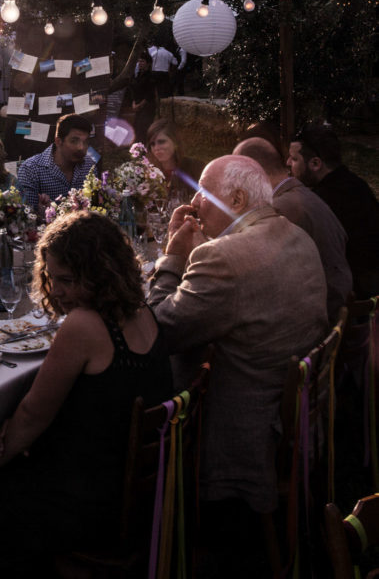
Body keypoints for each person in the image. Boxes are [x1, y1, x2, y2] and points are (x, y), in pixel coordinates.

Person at [148, 155, 327, 576]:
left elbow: (157, 333)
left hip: (243, 432)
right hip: (296, 418)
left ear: (239, 198)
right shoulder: (297, 236)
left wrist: (173, 258)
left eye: (204, 196)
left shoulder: (225, 258)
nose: (194, 205)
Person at [0, 211, 173, 577]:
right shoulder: (142, 310)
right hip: (139, 495)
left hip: (90, 507)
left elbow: (33, 413)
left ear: (100, 274)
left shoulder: (84, 325)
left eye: (66, 280)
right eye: (50, 277)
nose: (56, 290)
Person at [234, 137, 352, 321]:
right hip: (337, 302)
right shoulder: (302, 194)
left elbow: (253, 274)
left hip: (320, 316)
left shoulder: (281, 210)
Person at [287, 123, 379, 298]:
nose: (288, 163)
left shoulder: (319, 202)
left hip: (356, 295)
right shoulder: (356, 184)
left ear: (315, 163)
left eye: (294, 159)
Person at [17, 113, 97, 215]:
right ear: (58, 141)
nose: (81, 147)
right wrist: (41, 214)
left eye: (85, 142)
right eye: (74, 141)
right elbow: (26, 216)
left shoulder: (89, 166)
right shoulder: (31, 169)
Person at [146, 118, 205, 202]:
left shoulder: (195, 168)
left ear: (175, 142)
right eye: (152, 144)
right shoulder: (148, 173)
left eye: (161, 142)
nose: (156, 148)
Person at [147, 44, 178, 115]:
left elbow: (149, 61)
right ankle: (163, 108)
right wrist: (171, 71)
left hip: (154, 73)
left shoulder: (153, 52)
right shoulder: (168, 53)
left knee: (154, 90)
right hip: (164, 73)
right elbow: (175, 62)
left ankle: (155, 108)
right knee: (164, 91)